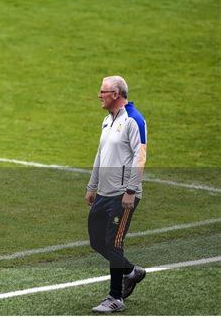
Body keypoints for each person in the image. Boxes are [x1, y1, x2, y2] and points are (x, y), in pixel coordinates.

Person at [85, 76, 147, 313]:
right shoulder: (106, 120)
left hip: (123, 195)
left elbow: (139, 157)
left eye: (103, 91)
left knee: (114, 242)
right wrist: (92, 186)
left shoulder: (134, 120)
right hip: (104, 193)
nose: (99, 95)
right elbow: (100, 155)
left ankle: (115, 298)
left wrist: (131, 190)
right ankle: (131, 272)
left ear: (116, 94)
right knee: (96, 241)